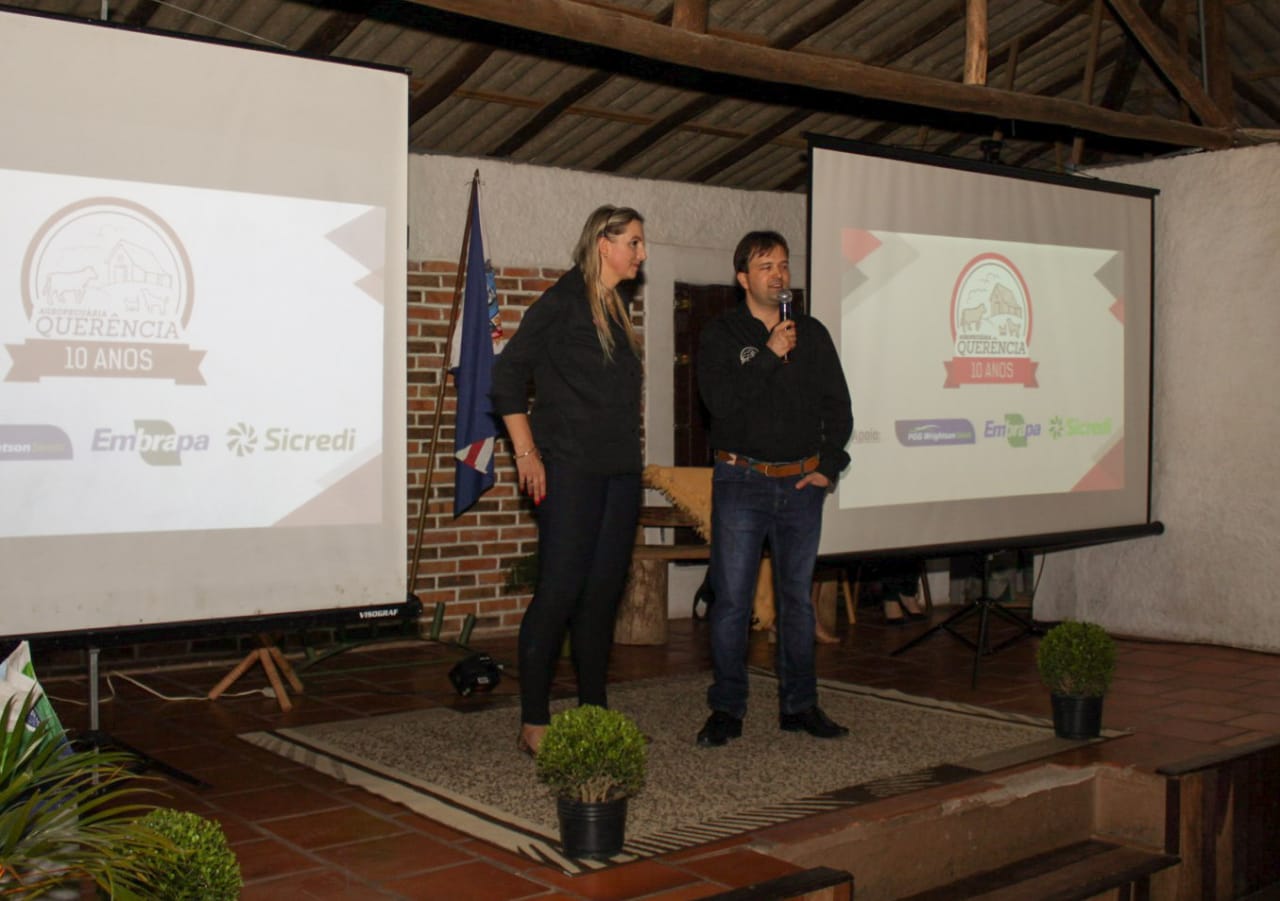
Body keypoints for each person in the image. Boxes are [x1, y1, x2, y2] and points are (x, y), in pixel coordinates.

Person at [490, 205, 648, 757]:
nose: (641, 253)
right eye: (633, 242)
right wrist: (526, 452)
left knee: (602, 597)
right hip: (570, 467)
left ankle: (594, 713)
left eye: (641, 243)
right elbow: (506, 376)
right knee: (559, 591)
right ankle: (534, 720)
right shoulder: (562, 301)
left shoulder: (616, 306)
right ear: (604, 244)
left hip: (619, 470)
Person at [695, 230, 853, 747]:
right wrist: (767, 353)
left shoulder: (813, 333)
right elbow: (720, 403)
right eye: (766, 266)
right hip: (741, 480)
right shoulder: (722, 334)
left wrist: (829, 466)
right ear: (743, 277)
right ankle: (727, 708)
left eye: (783, 265)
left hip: (802, 485)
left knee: (797, 602)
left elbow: (839, 408)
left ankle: (800, 705)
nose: (779, 274)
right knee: (732, 602)